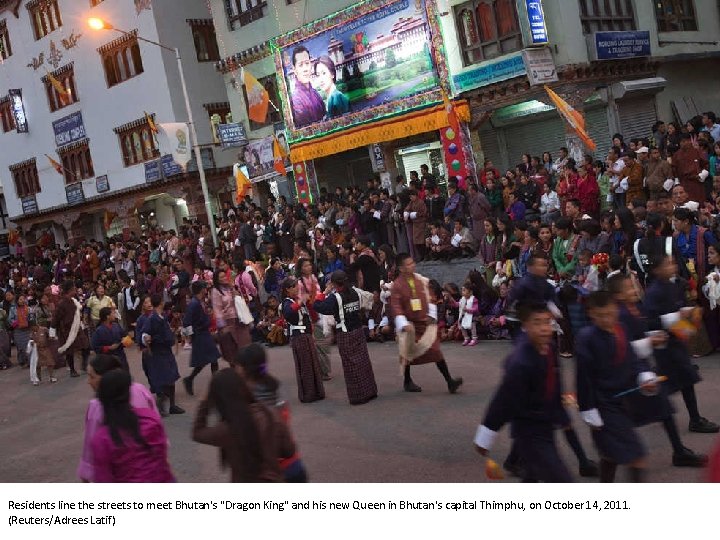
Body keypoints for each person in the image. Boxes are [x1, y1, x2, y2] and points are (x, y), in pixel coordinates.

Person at [607, 274, 707, 467]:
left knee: (663, 409)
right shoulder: (620, 315)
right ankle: (612, 453)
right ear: (618, 295)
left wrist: (657, 334)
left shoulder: (635, 308)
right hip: (628, 373)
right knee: (626, 417)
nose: (634, 290)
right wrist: (650, 341)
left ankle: (678, 451)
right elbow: (622, 347)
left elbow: (647, 327)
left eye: (633, 286)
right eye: (629, 288)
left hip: (641, 368)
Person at [473, 302, 572, 482]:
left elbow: (555, 384)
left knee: (531, 476)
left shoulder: (550, 347)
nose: (544, 328)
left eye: (547, 322)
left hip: (546, 424)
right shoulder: (521, 361)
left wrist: (562, 416)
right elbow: (503, 400)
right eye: (537, 322)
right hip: (529, 429)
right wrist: (487, 432)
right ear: (525, 325)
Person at [576, 291, 658, 482]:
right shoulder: (586, 338)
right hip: (602, 404)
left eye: (611, 313)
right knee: (637, 456)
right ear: (592, 314)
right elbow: (583, 378)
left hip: (622, 400)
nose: (607, 319)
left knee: (610, 454)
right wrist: (588, 409)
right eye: (601, 315)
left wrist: (644, 376)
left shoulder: (621, 328)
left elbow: (632, 358)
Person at [643, 255, 719, 433]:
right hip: (664, 346)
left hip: (675, 342)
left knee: (686, 380)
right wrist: (679, 317)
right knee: (666, 386)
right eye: (667, 264)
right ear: (656, 270)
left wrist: (689, 314)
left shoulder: (673, 285)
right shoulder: (653, 292)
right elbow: (651, 322)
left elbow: (678, 309)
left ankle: (694, 419)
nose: (673, 267)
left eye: (672, 263)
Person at [192, 368, 295, 482]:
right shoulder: (269, 414)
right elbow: (289, 450)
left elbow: (197, 433)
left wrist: (204, 402)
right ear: (244, 387)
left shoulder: (227, 429)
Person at [233, 344, 308, 482]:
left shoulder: (244, 399)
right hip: (293, 465)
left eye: (237, 366)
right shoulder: (274, 386)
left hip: (270, 473)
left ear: (244, 369)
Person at [389, 253, 463, 393]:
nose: (413, 266)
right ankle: (407, 381)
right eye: (409, 264)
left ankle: (449, 381)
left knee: (436, 351)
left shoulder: (421, 280)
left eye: (412, 263)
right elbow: (396, 306)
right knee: (406, 353)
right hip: (408, 325)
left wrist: (431, 314)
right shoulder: (397, 286)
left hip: (423, 322)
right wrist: (403, 323)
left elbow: (431, 296)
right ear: (401, 268)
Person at [78, 354, 158, 482]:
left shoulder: (97, 406)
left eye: (92, 376)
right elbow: (158, 430)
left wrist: (86, 474)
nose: (89, 381)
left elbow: (90, 447)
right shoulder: (141, 390)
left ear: (108, 377)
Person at [90, 368, 174, 483]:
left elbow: (103, 479)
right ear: (128, 395)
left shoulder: (102, 438)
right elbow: (162, 456)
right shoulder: (150, 418)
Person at [313, 270, 378, 405]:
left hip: (345, 333)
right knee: (363, 362)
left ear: (334, 283)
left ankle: (358, 396)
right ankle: (370, 391)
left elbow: (317, 306)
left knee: (351, 365)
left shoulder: (335, 297)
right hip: (358, 331)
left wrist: (325, 292)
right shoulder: (355, 292)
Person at [281, 277, 325, 403]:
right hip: (298, 337)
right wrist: (300, 301)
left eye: (296, 286)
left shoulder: (298, 301)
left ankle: (317, 391)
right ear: (287, 290)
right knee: (305, 366)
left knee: (313, 364)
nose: (296, 289)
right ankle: (308, 394)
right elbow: (289, 313)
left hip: (307, 336)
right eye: (293, 287)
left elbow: (311, 316)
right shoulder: (287, 302)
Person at [142, 294, 184, 415]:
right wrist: (147, 338)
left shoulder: (162, 317)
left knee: (171, 377)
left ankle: (172, 405)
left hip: (166, 351)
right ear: (160, 303)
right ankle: (160, 405)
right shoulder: (152, 318)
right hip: (158, 352)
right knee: (163, 378)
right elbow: (144, 333)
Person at [182, 281, 221, 396]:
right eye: (205, 288)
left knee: (212, 359)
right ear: (201, 289)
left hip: (204, 334)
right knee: (205, 360)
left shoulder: (200, 302)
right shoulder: (194, 304)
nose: (206, 290)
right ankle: (190, 379)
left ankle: (215, 385)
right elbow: (186, 322)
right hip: (200, 335)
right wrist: (189, 337)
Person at [51, 280, 90, 377]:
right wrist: (52, 329)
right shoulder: (62, 303)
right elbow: (56, 317)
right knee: (70, 351)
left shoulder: (74, 300)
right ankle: (72, 370)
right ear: (70, 290)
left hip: (77, 327)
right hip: (67, 330)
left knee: (86, 346)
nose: (76, 290)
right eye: (74, 289)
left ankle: (84, 365)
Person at [211, 270, 251, 363]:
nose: (224, 278)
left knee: (244, 343)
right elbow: (217, 309)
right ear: (217, 280)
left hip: (239, 319)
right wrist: (222, 325)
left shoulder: (230, 287)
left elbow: (239, 301)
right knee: (231, 348)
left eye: (224, 276)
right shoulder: (216, 291)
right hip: (227, 321)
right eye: (221, 277)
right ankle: (235, 369)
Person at [289, 46, 325, 128]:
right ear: (294, 69)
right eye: (301, 65)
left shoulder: (315, 92)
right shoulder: (296, 99)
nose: (305, 69)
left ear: (311, 65)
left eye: (307, 63)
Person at [91, 307, 129, 372]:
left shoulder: (116, 326)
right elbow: (95, 347)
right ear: (108, 316)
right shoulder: (98, 331)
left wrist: (126, 341)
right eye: (113, 313)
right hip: (108, 359)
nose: (115, 315)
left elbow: (125, 336)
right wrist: (109, 348)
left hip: (121, 357)